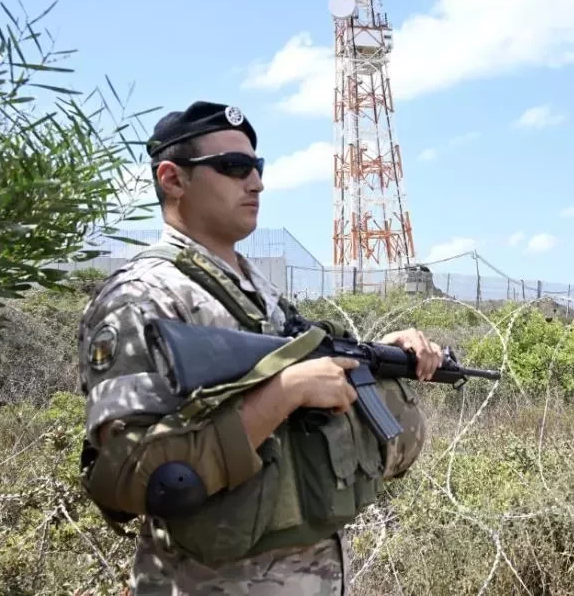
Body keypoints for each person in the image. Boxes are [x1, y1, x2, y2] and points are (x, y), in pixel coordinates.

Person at [76, 100, 439, 595]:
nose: (256, 183)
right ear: (173, 179)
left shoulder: (256, 291)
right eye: (233, 167)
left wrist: (379, 356)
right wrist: (283, 394)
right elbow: (130, 479)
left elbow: (295, 376)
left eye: (257, 166)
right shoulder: (143, 298)